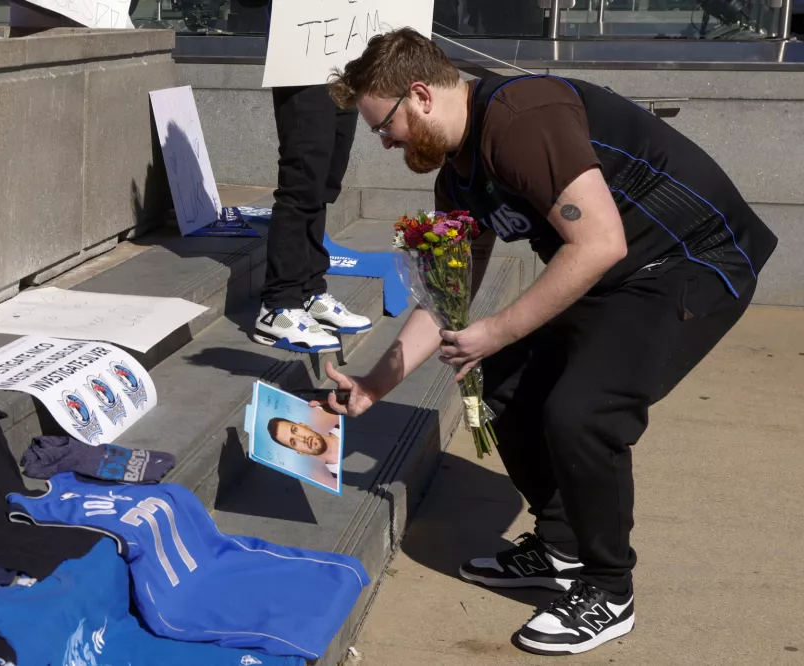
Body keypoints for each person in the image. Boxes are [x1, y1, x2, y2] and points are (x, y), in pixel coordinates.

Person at [319, 28, 778, 656]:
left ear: (420, 95)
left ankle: (609, 590)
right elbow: (447, 296)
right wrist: (374, 385)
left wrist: (494, 329)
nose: (386, 142)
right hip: (616, 273)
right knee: (503, 379)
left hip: (694, 259)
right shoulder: (458, 175)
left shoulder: (520, 119)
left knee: (585, 411)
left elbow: (599, 243)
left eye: (385, 125)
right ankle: (562, 543)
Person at [251, 2, 373, 354]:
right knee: (303, 176)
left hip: (345, 52)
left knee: (326, 176)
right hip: (301, 47)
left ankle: (309, 289)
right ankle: (278, 304)